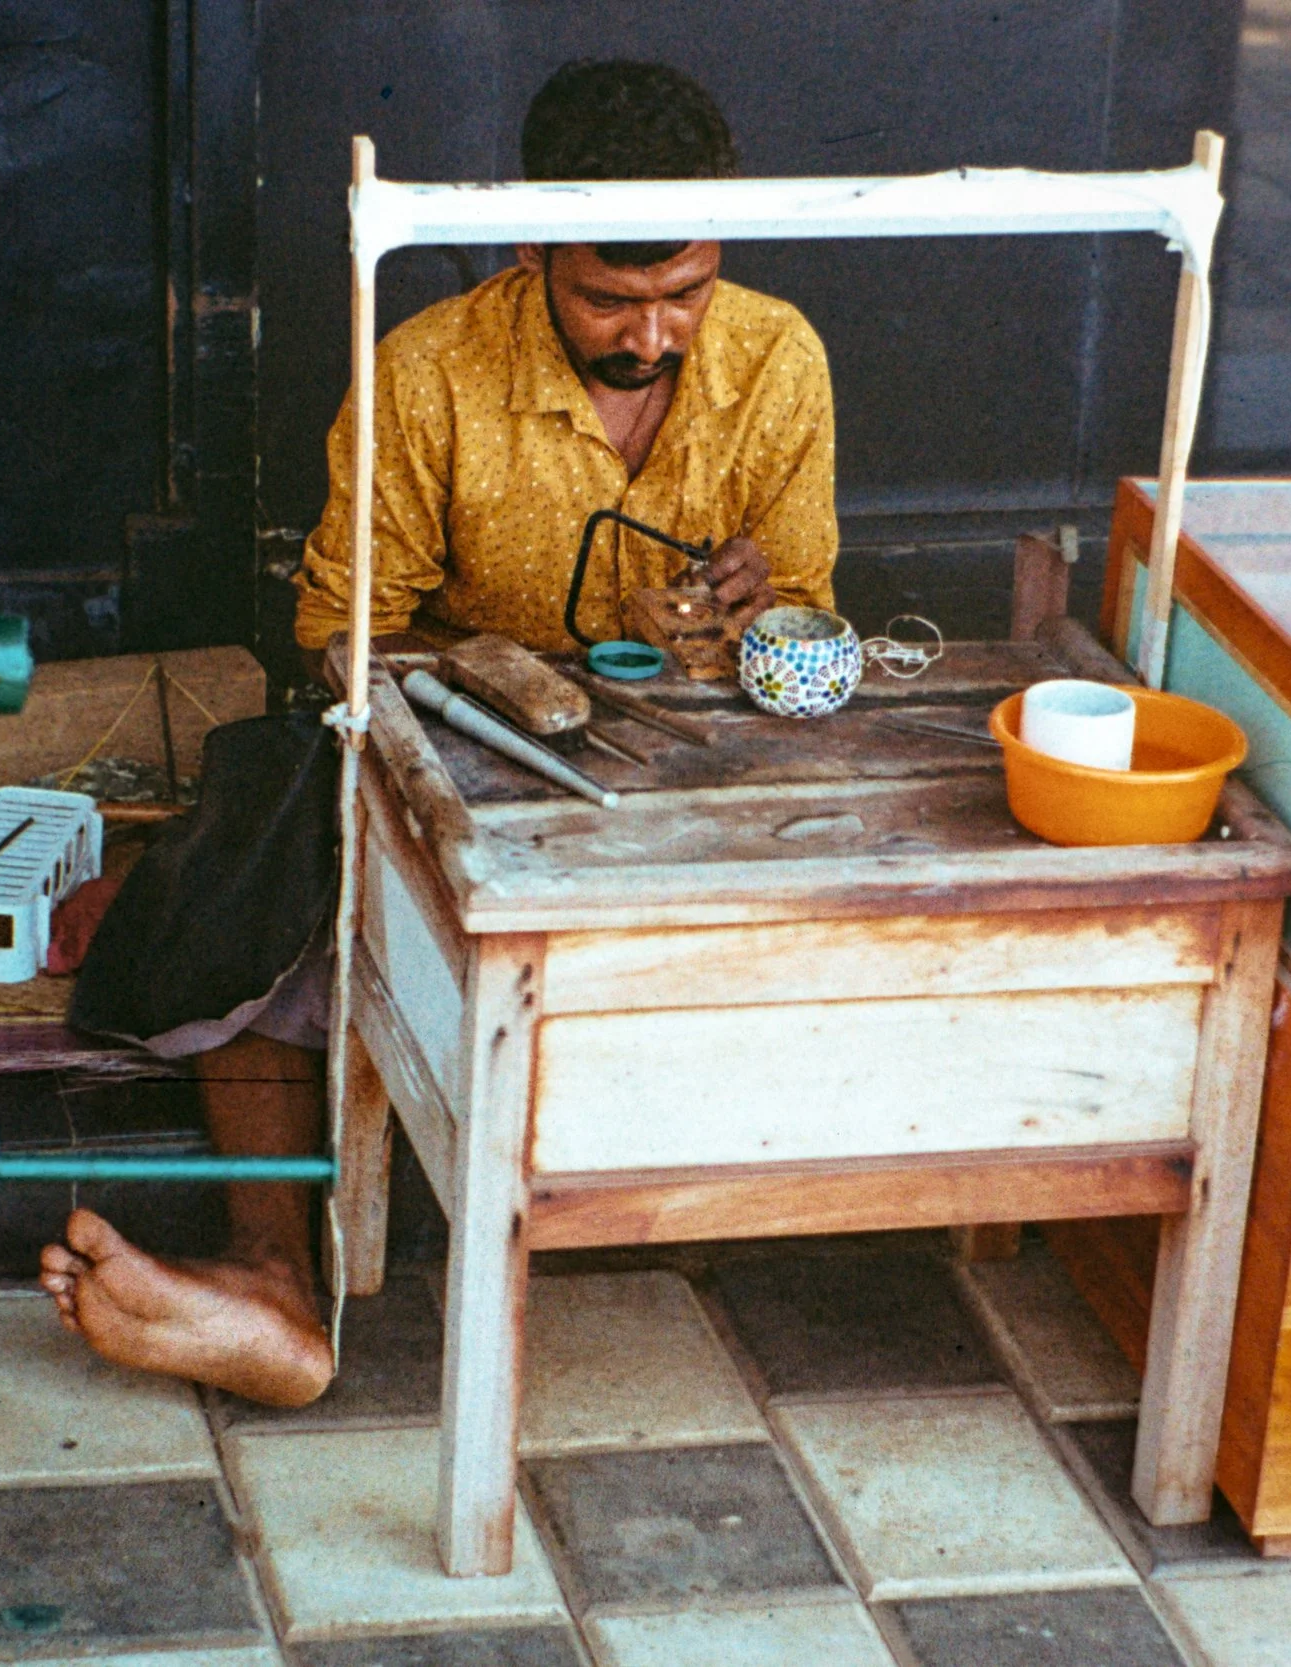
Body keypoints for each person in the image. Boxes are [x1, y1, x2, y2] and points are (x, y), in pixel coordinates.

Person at [45, 59, 839, 1406]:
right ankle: (271, 1282)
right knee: (281, 842)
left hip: (692, 762)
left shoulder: (778, 356)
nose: (652, 335)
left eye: (685, 293)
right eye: (609, 297)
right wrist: (521, 671)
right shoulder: (429, 374)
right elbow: (336, 634)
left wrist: (755, 617)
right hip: (470, 742)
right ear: (531, 245)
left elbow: (814, 619)